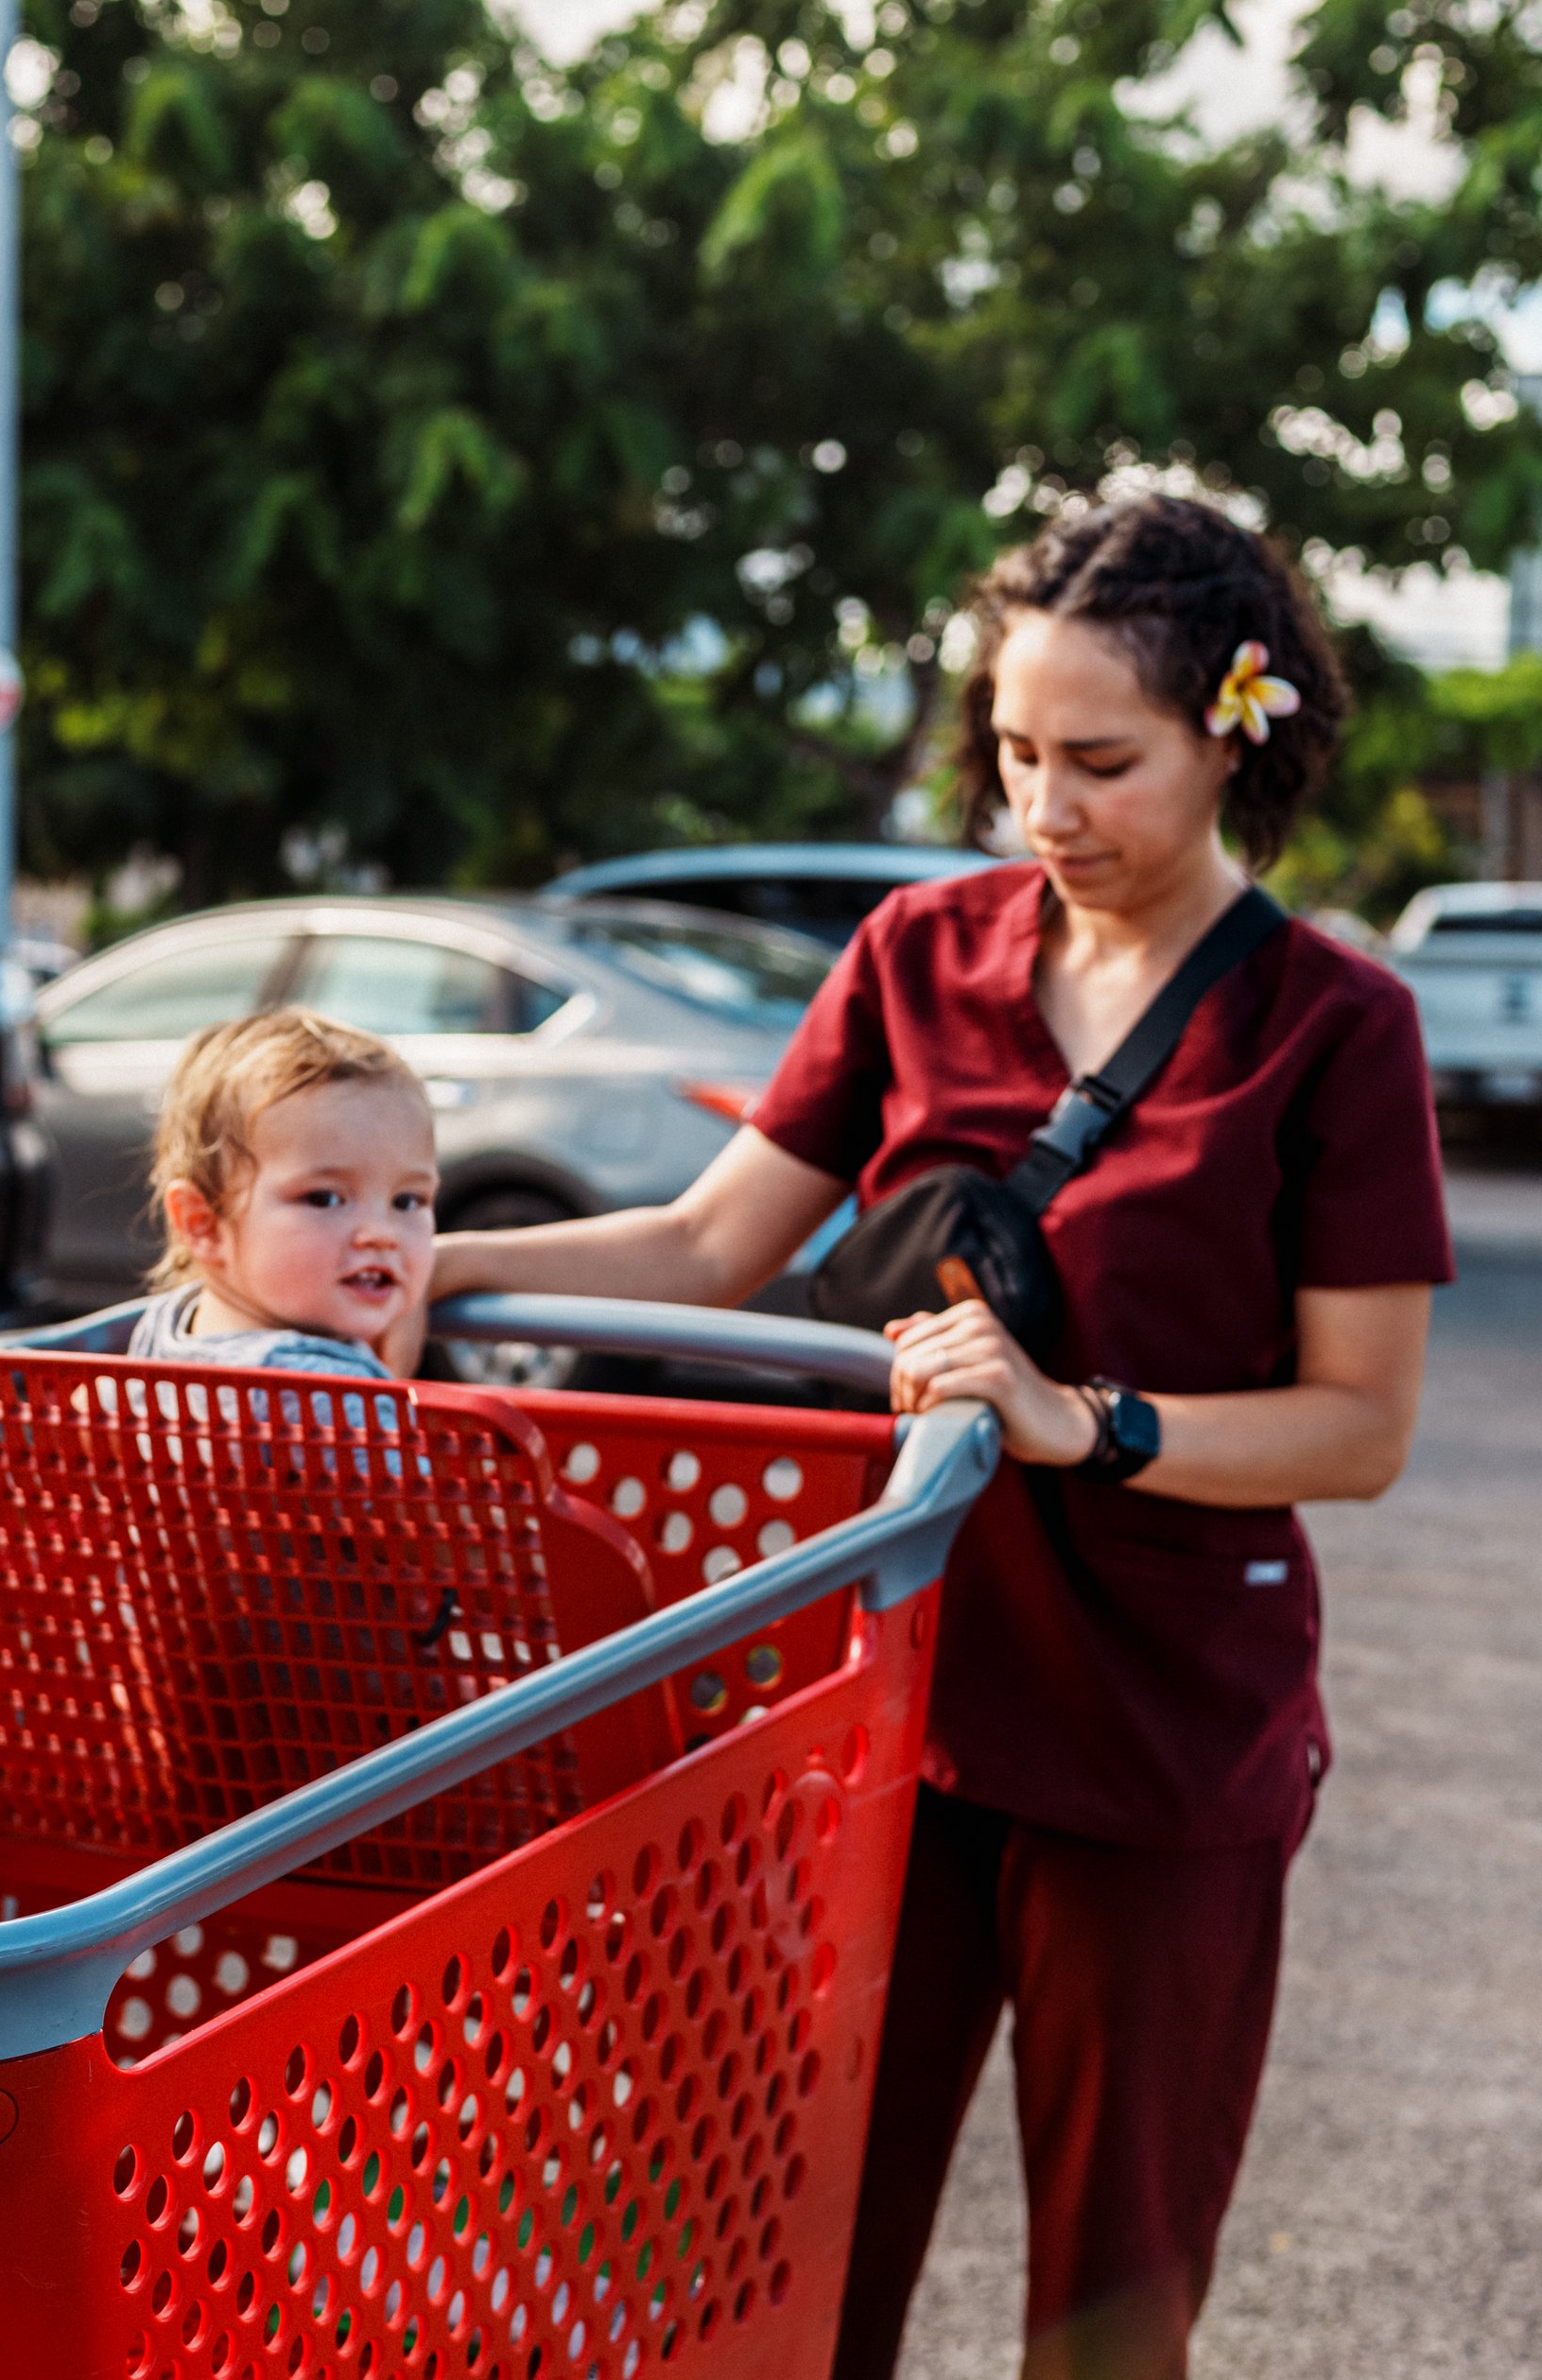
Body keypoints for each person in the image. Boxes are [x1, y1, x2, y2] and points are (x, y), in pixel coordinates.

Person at [432, 493, 1451, 2379]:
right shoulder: (919, 951)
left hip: (1164, 1736)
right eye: (1011, 752)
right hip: (881, 1698)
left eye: (1100, 760)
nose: (1043, 808)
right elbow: (707, 1238)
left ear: (1233, 733)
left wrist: (1088, 1421)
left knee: (1109, 2305)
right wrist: (409, 1256)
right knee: (789, 2254)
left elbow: (1361, 1425)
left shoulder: (1334, 1027)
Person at [127, 1007, 435, 1379]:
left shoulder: (168, 1326)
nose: (382, 1235)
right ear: (203, 1224)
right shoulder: (331, 1393)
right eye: (325, 1199)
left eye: (407, 1201)